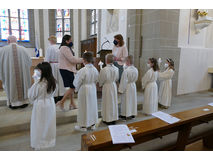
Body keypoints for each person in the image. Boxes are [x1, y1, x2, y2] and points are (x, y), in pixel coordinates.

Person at [28, 62, 56, 150]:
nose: (37, 71)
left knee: (39, 124)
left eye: (38, 70)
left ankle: (39, 143)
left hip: (40, 105)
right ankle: (49, 141)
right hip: (50, 103)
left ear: (43, 71)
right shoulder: (53, 81)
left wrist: (34, 82)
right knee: (49, 123)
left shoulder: (38, 84)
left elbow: (31, 96)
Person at [0, 35, 31, 109]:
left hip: (9, 74)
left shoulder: (2, 50)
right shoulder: (23, 49)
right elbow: (29, 62)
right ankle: (24, 102)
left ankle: (13, 104)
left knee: (11, 84)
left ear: (8, 41)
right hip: (22, 74)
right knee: (22, 84)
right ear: (16, 41)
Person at [56, 35, 83, 111]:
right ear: (66, 41)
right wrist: (83, 60)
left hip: (68, 69)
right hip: (66, 69)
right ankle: (61, 102)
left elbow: (72, 59)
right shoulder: (64, 48)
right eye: (70, 40)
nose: (71, 42)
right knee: (73, 87)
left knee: (71, 87)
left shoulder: (68, 48)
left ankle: (72, 103)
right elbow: (72, 59)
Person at [73, 52, 99, 132]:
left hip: (84, 88)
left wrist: (76, 89)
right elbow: (97, 79)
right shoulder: (95, 69)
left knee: (84, 107)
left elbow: (77, 82)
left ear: (84, 60)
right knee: (92, 106)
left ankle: (83, 126)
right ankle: (92, 124)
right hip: (92, 88)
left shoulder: (83, 70)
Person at [99, 54, 119, 125]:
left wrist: (100, 85)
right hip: (113, 85)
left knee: (107, 102)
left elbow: (101, 80)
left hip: (107, 86)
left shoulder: (104, 70)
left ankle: (107, 119)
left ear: (106, 60)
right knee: (113, 102)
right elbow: (117, 78)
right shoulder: (116, 69)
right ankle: (113, 118)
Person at [44, 35, 65, 103]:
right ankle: (61, 95)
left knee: (54, 80)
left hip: (52, 65)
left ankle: (55, 96)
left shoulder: (49, 48)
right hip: (60, 64)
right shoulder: (60, 47)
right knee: (61, 80)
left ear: (50, 41)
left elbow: (47, 59)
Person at [119, 55, 138, 120]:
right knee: (132, 100)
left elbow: (123, 81)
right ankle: (132, 114)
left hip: (127, 87)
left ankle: (124, 115)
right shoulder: (135, 69)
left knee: (126, 101)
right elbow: (136, 78)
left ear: (128, 61)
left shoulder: (126, 71)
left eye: (125, 61)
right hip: (133, 85)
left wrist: (121, 90)